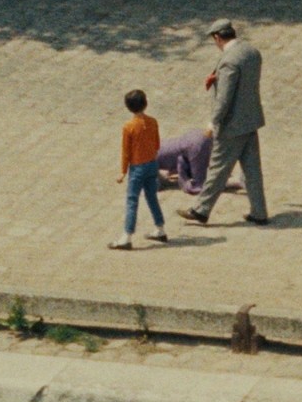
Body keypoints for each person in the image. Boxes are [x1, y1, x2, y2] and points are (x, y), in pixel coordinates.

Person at [177, 19, 269, 226]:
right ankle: (259, 211)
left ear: (217, 38)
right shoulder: (251, 52)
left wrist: (213, 122)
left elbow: (224, 98)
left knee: (218, 168)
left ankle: (201, 210)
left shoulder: (229, 62)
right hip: (251, 119)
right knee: (252, 169)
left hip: (232, 125)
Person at [110, 89, 169, 250]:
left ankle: (127, 236)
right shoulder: (153, 122)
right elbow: (157, 144)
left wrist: (123, 171)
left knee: (132, 200)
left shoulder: (129, 126)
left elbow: (126, 151)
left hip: (137, 168)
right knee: (152, 196)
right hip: (152, 164)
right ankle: (160, 228)